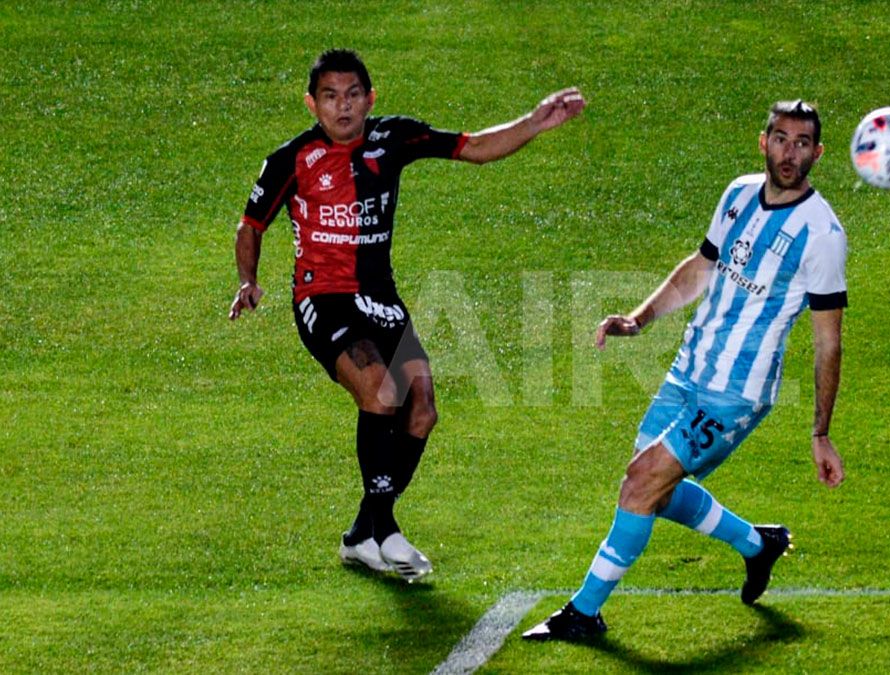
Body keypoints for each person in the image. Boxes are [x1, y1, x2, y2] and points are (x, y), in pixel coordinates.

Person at [229, 49, 585, 580]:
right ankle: (385, 527)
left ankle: (361, 535)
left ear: (371, 99)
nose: (343, 106)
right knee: (380, 392)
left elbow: (474, 148)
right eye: (330, 96)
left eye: (353, 95)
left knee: (421, 412)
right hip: (322, 298)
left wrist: (534, 122)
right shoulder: (292, 159)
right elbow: (251, 225)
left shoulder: (392, 139)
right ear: (312, 104)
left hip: (380, 298)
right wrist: (248, 280)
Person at [523, 100, 846, 640]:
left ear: (818, 152)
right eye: (781, 139)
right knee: (654, 487)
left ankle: (583, 613)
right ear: (763, 141)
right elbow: (700, 267)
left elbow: (828, 341)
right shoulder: (739, 194)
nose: (790, 153)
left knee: (641, 484)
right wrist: (639, 319)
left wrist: (820, 432)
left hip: (735, 392)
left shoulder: (823, 235)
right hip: (689, 368)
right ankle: (757, 545)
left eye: (803, 143)